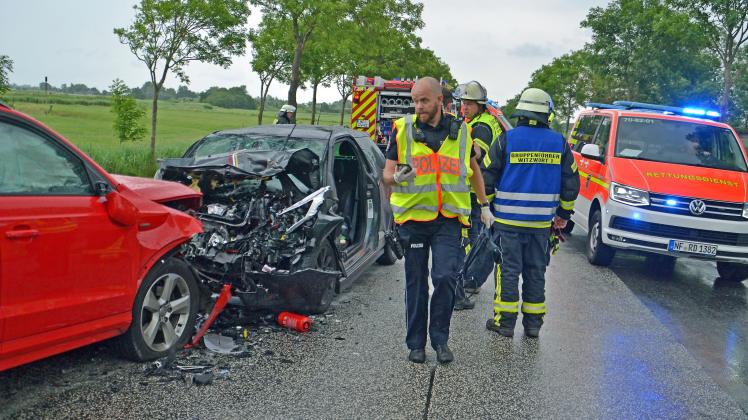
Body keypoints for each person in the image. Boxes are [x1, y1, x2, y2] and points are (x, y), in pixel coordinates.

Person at [384, 77, 493, 364]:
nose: (418, 106)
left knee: (445, 278)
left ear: (439, 101)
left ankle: (440, 339)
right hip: (414, 220)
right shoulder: (402, 130)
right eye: (415, 101)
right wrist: (394, 178)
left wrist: (484, 205)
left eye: (424, 101)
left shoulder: (462, 132)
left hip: (449, 219)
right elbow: (385, 175)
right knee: (416, 282)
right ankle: (416, 344)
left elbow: (474, 170)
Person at [482, 88, 580, 338]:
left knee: (508, 271)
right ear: (547, 113)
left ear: (522, 111)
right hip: (541, 225)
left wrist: (489, 208)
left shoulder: (507, 139)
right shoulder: (559, 142)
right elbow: (571, 182)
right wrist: (563, 215)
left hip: (507, 223)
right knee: (536, 272)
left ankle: (505, 323)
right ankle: (533, 325)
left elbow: (487, 177)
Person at [454, 81, 504, 310]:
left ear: (480, 105)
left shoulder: (482, 126)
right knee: (477, 238)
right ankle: (471, 279)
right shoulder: (478, 121)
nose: (464, 107)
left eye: (469, 104)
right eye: (463, 103)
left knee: (472, 239)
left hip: (476, 192)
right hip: (479, 191)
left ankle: (468, 279)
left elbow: (476, 156)